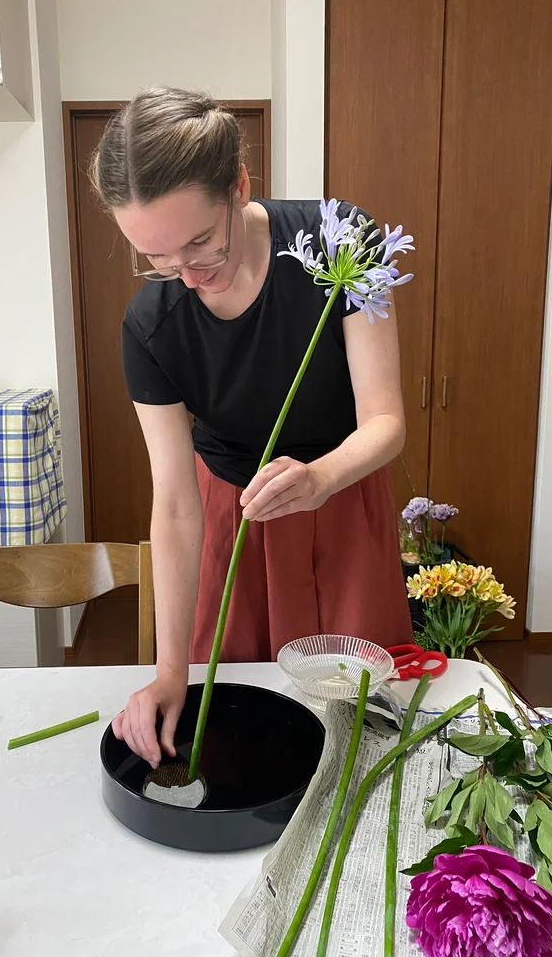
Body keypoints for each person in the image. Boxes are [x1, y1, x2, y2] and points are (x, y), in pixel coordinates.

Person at [90, 86, 413, 768]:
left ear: (239, 186)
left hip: (342, 496)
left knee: (361, 729)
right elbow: (175, 503)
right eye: (155, 258)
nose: (186, 275)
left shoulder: (341, 240)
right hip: (229, 516)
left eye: (200, 243)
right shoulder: (150, 325)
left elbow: (386, 421)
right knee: (242, 729)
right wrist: (169, 669)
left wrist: (322, 477)